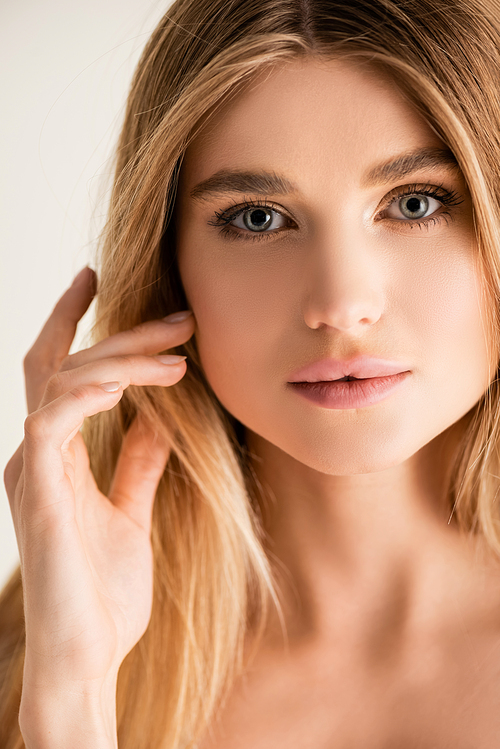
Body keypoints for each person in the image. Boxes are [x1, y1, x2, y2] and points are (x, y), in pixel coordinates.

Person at [3, 0, 500, 746]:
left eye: (415, 202)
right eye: (259, 217)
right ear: (170, 267)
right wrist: (72, 693)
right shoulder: (40, 658)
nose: (339, 305)